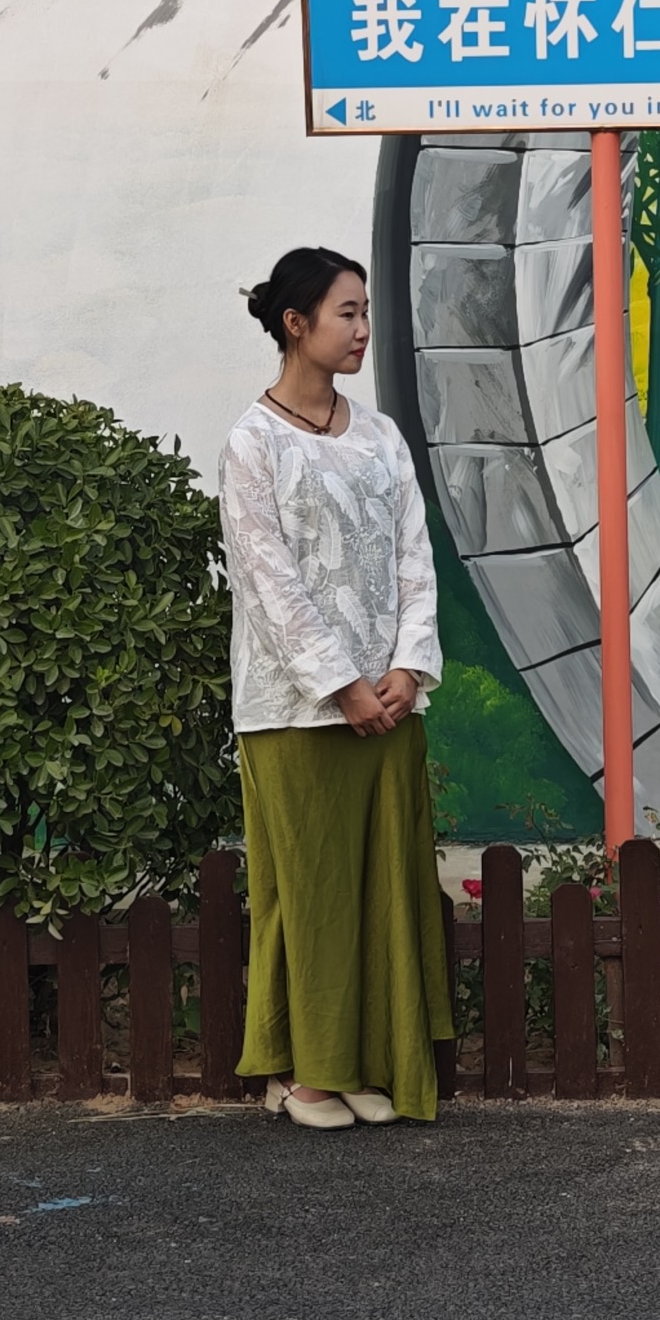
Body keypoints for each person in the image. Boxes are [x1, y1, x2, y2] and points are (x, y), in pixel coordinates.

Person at [219, 244, 453, 1129]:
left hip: (389, 705)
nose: (362, 329)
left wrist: (407, 669)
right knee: (313, 892)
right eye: (346, 313)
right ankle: (307, 1076)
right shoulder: (253, 443)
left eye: (364, 313)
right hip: (294, 712)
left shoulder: (382, 437)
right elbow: (268, 583)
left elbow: (414, 560)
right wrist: (341, 685)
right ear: (296, 323)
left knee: (384, 891)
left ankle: (366, 1064)